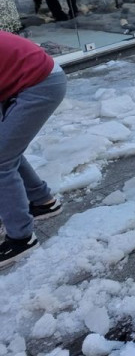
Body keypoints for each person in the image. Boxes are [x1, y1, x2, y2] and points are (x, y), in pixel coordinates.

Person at [0, 31, 67, 269]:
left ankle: (21, 238)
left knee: (1, 159)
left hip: (41, 83)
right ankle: (42, 201)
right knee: (6, 151)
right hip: (27, 80)